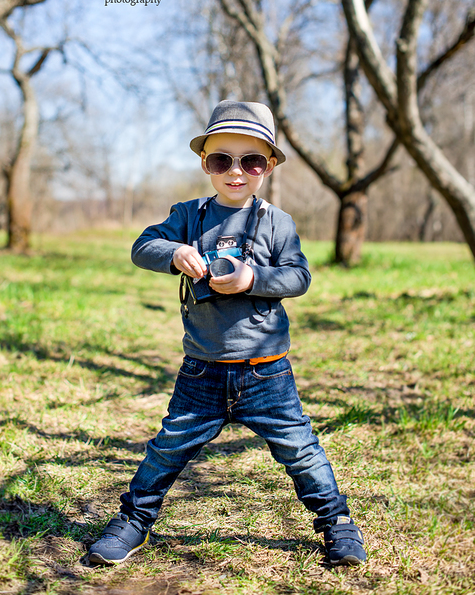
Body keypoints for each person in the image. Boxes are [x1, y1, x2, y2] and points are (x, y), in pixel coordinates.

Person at [88, 100, 366, 567]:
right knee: (167, 451)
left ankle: (336, 523)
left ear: (269, 165)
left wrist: (251, 279)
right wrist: (175, 252)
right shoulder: (188, 215)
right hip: (202, 372)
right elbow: (142, 247)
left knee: (301, 451)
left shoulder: (278, 222)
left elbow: (299, 277)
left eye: (251, 160)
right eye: (222, 160)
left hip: (267, 373)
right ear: (205, 164)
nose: (236, 171)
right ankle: (133, 521)